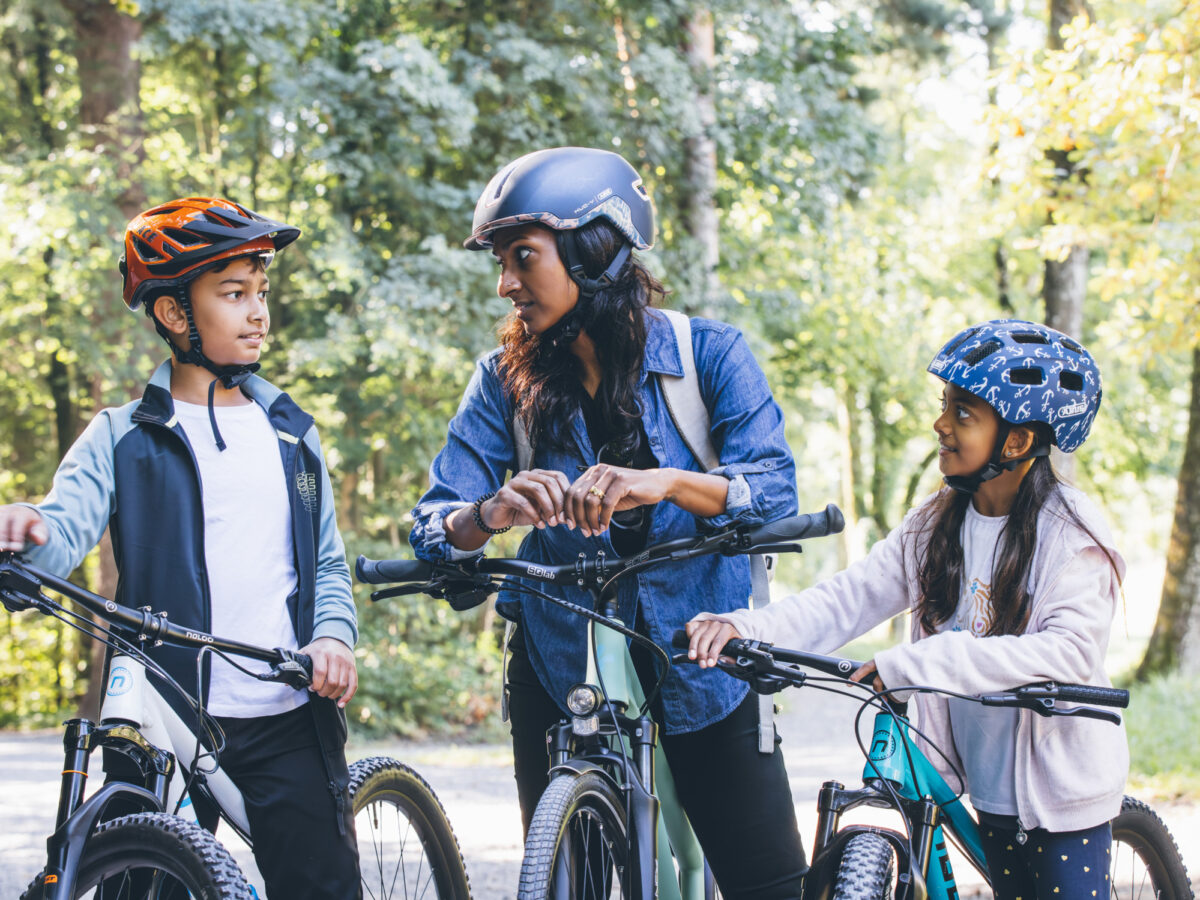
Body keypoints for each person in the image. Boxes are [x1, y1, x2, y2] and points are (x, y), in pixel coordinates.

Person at [410, 146, 808, 897]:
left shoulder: (709, 355)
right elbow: (433, 526)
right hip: (561, 667)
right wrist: (487, 513)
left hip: (705, 654)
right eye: (501, 263)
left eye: (523, 258)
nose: (506, 285)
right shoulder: (502, 383)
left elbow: (774, 491)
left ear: (594, 250)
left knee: (772, 885)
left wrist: (665, 483)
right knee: (567, 882)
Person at [687, 319, 1128, 900]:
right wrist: (745, 626)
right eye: (946, 405)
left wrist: (927, 660)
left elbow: (1069, 651)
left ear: (1017, 442)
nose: (941, 423)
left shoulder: (1071, 536)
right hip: (984, 782)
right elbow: (851, 596)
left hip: (1059, 803)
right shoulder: (940, 519)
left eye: (964, 413)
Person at [0, 197, 361, 898]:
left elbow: (325, 564)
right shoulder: (121, 434)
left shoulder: (291, 434)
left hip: (285, 716)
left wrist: (334, 639)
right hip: (163, 718)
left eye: (260, 293)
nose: (258, 312)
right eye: (234, 294)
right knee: (138, 885)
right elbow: (61, 527)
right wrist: (27, 531)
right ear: (173, 314)